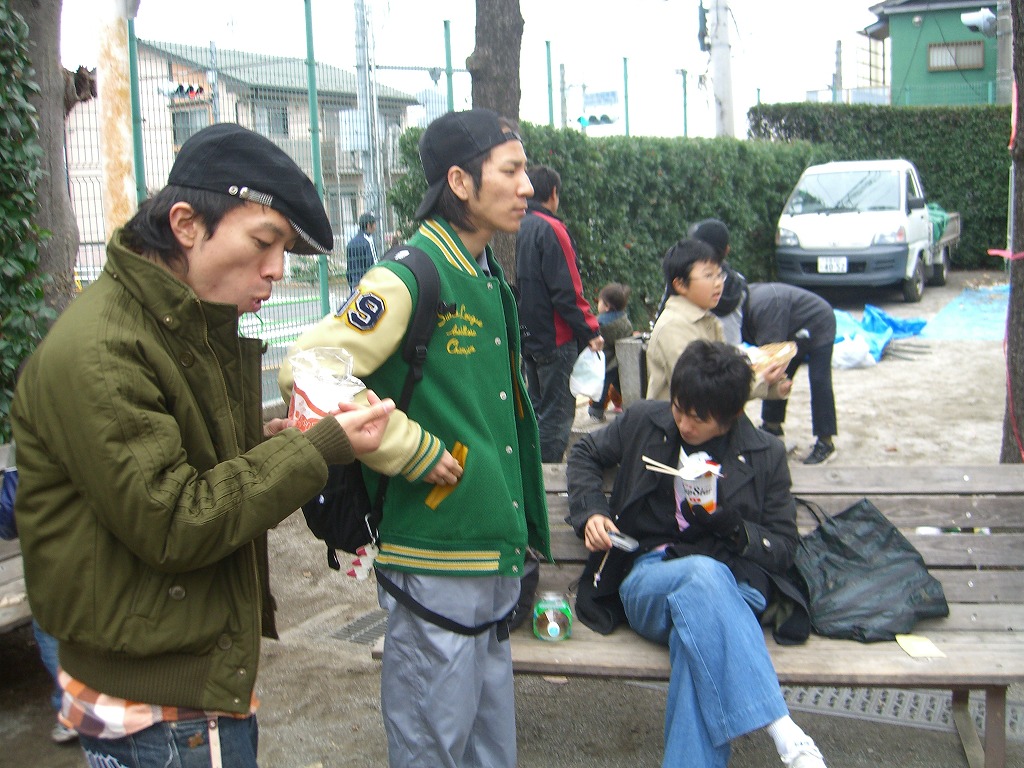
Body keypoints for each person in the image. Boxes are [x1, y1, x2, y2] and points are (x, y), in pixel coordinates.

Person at [11, 123, 395, 768]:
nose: (276, 270)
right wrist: (316, 448)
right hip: (159, 712)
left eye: (285, 252)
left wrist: (280, 443)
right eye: (264, 243)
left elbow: (190, 469)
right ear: (186, 224)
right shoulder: (106, 350)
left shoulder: (181, 327)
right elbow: (177, 519)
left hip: (186, 673)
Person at [279, 108, 552, 768]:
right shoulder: (411, 274)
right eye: (511, 170)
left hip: (488, 550)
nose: (527, 187)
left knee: (489, 747)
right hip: (436, 551)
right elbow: (306, 368)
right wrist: (410, 448)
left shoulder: (482, 272)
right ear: (460, 181)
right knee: (432, 745)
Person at [567, 340, 825, 768]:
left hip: (737, 586)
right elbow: (585, 453)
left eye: (699, 418)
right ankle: (782, 726)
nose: (684, 424)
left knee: (695, 647)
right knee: (702, 576)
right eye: (679, 409)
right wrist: (592, 511)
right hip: (650, 576)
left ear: (731, 415)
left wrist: (732, 526)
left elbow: (782, 548)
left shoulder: (765, 453)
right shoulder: (646, 421)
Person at [515, 164, 603, 461]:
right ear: (553, 193)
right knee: (556, 418)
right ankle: (545, 480)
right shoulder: (551, 228)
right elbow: (567, 290)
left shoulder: (519, 225)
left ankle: (529, 475)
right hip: (556, 337)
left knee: (537, 411)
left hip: (528, 335)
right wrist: (590, 330)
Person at [742, 282, 839, 465]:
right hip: (790, 328)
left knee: (818, 380)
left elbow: (770, 358)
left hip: (819, 322)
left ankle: (826, 442)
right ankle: (772, 428)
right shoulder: (735, 306)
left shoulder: (765, 307)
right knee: (780, 376)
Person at [688, 217, 748, 346]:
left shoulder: (686, 283)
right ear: (727, 250)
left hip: (699, 355)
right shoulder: (740, 284)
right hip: (732, 354)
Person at [588, 282, 633, 422]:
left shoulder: (598, 323)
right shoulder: (625, 322)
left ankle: (596, 411)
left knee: (600, 388)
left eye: (600, 301)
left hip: (603, 362)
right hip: (619, 361)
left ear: (607, 306)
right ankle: (632, 406)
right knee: (622, 385)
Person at [346, 210, 377, 293]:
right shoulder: (368, 241)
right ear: (368, 225)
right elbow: (372, 263)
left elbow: (349, 266)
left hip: (355, 282)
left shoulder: (351, 242)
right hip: (367, 282)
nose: (375, 226)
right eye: (374, 224)